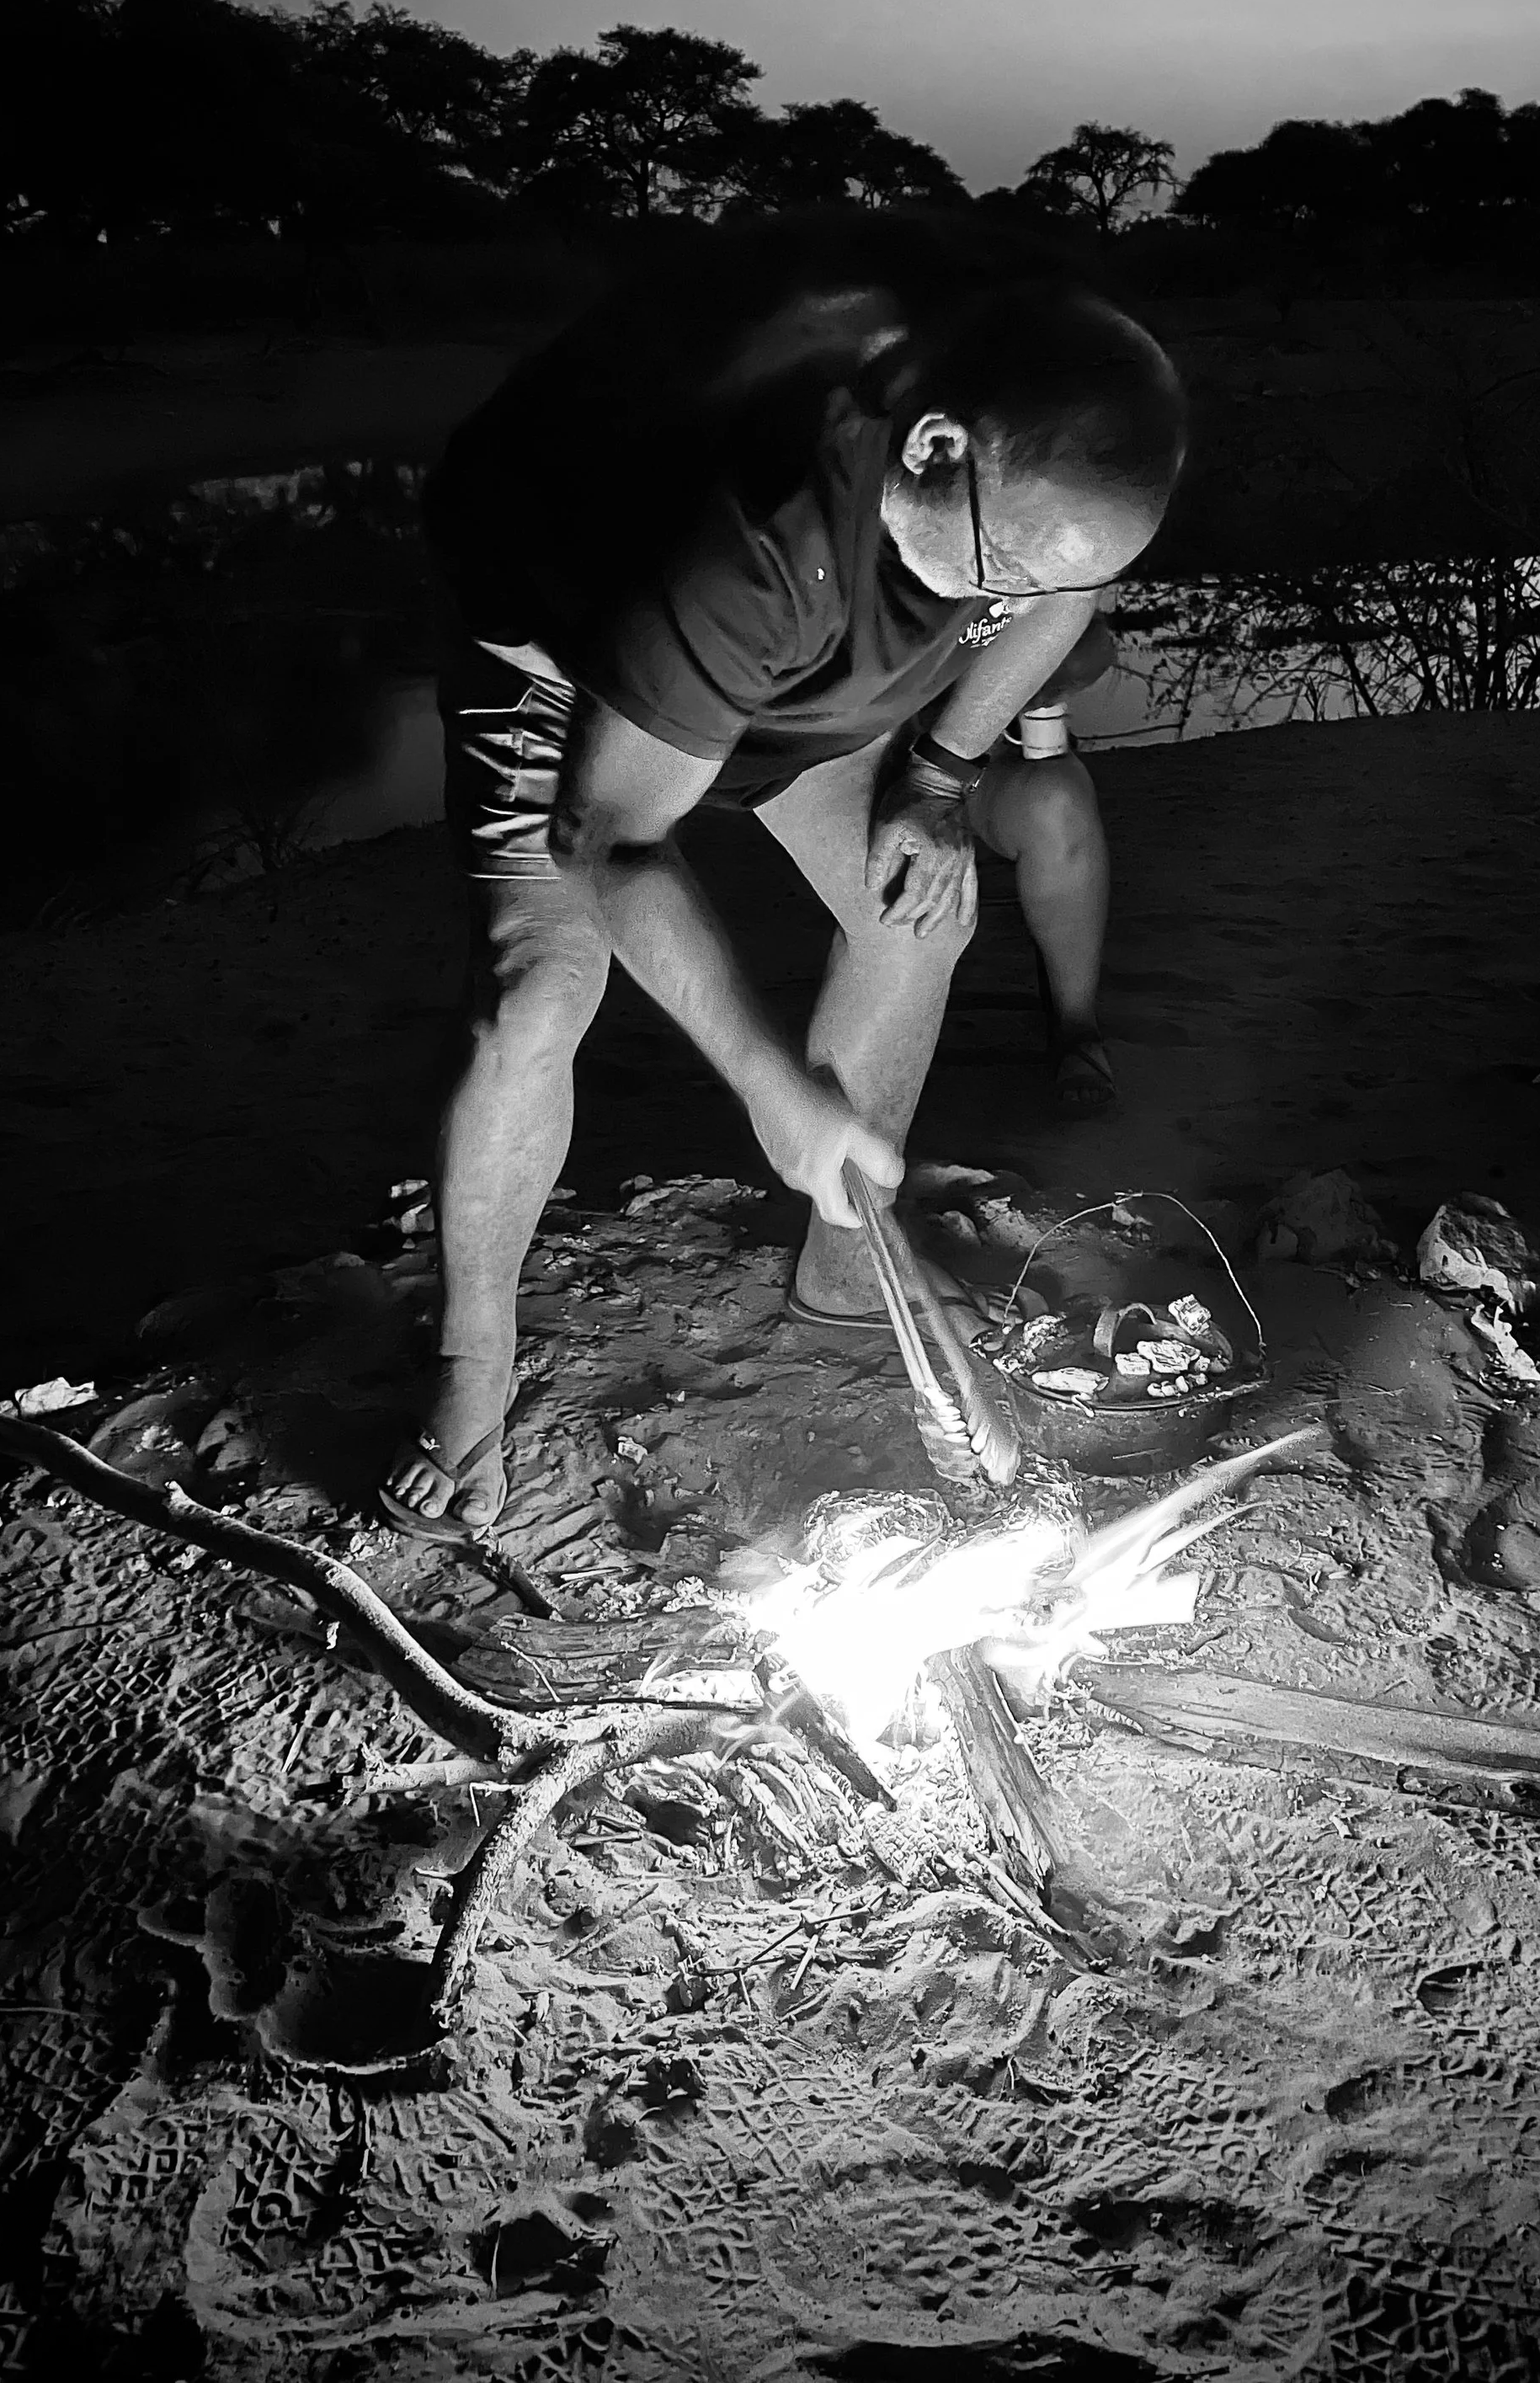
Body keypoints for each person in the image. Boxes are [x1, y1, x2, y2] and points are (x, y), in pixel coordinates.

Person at [378, 232, 1186, 1540]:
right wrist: (775, 1093)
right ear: (931, 448)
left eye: (1062, 574)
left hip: (803, 683)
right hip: (566, 652)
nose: (1021, 602)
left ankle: (845, 1275)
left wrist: (938, 775)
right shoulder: (756, 537)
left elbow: (1061, 593)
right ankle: (474, 1354)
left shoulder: (1040, 439)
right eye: (1001, 572)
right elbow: (615, 840)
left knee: (916, 907)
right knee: (541, 988)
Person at [967, 610, 1122, 1115]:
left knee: (1058, 800)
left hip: (971, 760)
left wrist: (1046, 673)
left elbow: (1091, 643)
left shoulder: (1022, 572)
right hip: (863, 754)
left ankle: (1077, 1027)